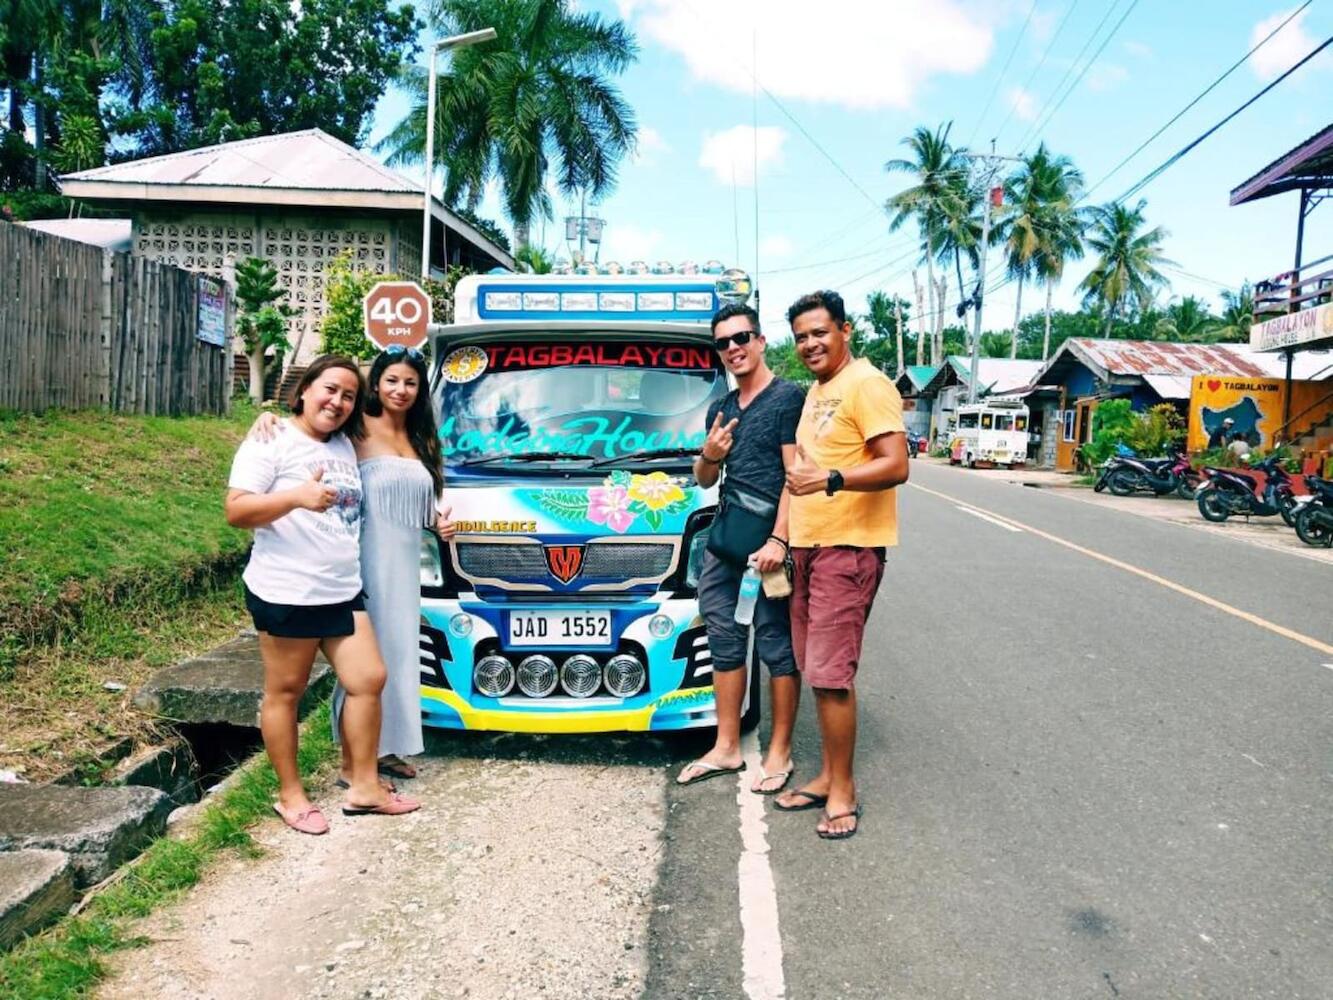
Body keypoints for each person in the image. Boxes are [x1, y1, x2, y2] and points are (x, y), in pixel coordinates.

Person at [226, 355, 419, 835]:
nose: (337, 401)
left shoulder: (344, 446)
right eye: (329, 389)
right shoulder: (270, 440)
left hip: (340, 589)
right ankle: (290, 797)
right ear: (305, 390)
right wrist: (295, 497)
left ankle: (362, 784)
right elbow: (237, 510)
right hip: (287, 591)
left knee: (368, 678)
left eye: (348, 395)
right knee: (285, 693)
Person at [251, 346, 456, 786]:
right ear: (376, 383)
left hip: (406, 564)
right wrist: (268, 416)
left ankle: (385, 748)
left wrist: (438, 521)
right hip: (362, 560)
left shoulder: (422, 437)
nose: (400, 390)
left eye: (410, 383)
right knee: (363, 665)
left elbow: (416, 498)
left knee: (399, 656)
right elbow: (309, 429)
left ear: (420, 391)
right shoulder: (356, 429)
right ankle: (354, 762)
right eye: (392, 380)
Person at [774, 290, 910, 841]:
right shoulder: (818, 392)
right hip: (808, 548)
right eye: (801, 336)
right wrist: (784, 539)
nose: (810, 344)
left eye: (819, 333)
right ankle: (828, 774)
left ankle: (844, 791)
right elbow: (799, 473)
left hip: (846, 550)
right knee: (816, 669)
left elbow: (896, 463)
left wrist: (831, 480)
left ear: (845, 330)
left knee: (832, 677)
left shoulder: (868, 384)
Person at [675, 304, 805, 794]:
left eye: (742, 337)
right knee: (723, 640)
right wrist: (710, 454)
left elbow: (796, 478)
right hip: (726, 544)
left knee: (776, 645)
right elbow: (705, 479)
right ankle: (727, 746)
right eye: (724, 342)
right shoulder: (722, 409)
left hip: (769, 550)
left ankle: (780, 750)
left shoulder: (787, 399)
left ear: (761, 340)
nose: (734, 347)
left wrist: (779, 539)